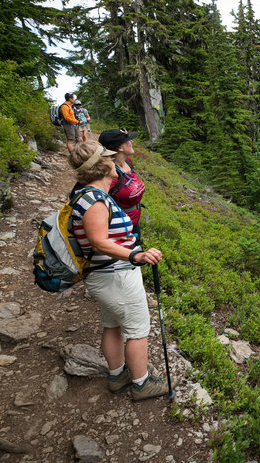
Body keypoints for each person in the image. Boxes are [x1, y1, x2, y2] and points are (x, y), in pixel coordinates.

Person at [67, 140, 177, 400]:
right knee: (138, 330)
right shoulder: (94, 200)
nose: (116, 161)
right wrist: (135, 254)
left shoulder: (87, 194)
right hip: (114, 274)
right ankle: (142, 384)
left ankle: (118, 376)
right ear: (102, 166)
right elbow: (98, 241)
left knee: (113, 324)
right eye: (109, 158)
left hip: (104, 275)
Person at [98, 128, 146, 246]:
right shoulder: (109, 173)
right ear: (120, 148)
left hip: (134, 222)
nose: (132, 142)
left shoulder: (127, 161)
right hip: (119, 228)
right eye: (128, 140)